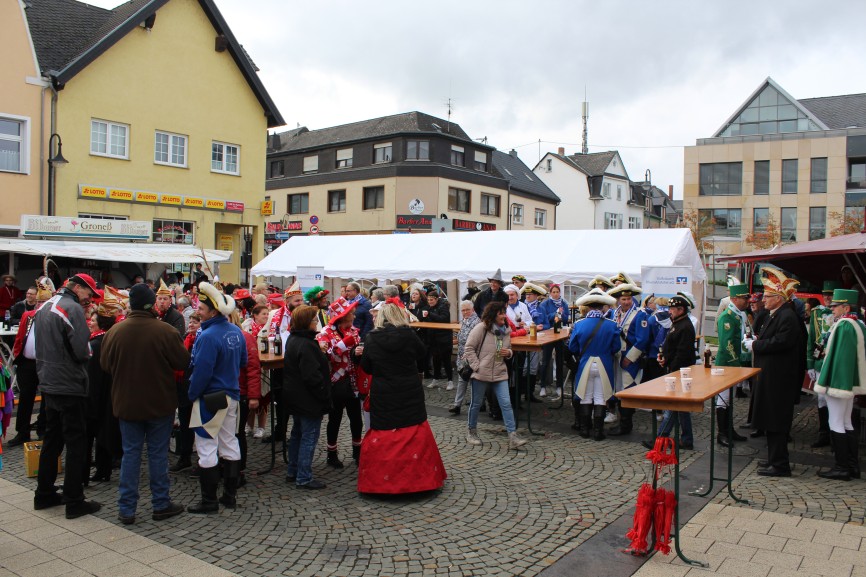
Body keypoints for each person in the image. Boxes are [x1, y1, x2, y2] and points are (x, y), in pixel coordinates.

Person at [100, 284, 190, 523]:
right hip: (159, 403)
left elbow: (105, 365)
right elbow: (182, 362)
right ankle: (160, 503)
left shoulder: (115, 332)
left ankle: (126, 508)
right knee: (157, 454)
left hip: (127, 402)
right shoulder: (165, 331)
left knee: (131, 454)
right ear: (152, 304)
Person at [358, 302, 446, 494]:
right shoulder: (408, 335)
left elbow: (367, 367)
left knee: (384, 429)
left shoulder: (372, 338)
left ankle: (381, 482)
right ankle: (419, 480)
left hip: (384, 391)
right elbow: (423, 355)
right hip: (409, 389)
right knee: (412, 428)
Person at [32, 273, 101, 519]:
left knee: (52, 439)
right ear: (78, 288)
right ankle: (74, 500)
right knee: (76, 442)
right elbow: (83, 350)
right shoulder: (71, 309)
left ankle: (44, 493)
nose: (89, 299)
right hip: (70, 384)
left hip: (49, 381)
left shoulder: (45, 306)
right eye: (89, 293)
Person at [187, 282, 247, 513]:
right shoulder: (236, 331)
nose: (198, 311)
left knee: (206, 447)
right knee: (230, 442)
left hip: (210, 398)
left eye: (201, 308)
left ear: (213, 311)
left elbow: (202, 372)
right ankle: (229, 496)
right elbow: (242, 363)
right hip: (231, 396)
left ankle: (209, 501)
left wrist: (192, 395)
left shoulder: (208, 336)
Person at [746, 267, 806, 477]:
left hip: (779, 379)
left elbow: (781, 342)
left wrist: (756, 346)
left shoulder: (787, 316)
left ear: (779, 298)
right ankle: (774, 459)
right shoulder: (776, 314)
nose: (764, 300)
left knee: (777, 422)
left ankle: (780, 464)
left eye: (768, 296)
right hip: (771, 376)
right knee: (771, 421)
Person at [463, 301, 528, 450]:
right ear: (493, 315)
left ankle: (513, 436)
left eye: (504, 313)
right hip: (481, 373)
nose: (504, 316)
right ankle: (471, 431)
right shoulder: (481, 328)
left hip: (500, 372)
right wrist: (477, 366)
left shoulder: (506, 330)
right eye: (501, 313)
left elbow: (509, 349)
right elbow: (469, 348)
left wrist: (509, 353)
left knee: (506, 404)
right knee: (476, 404)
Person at [814, 288, 865, 481]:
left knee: (836, 422)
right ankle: (852, 466)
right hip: (849, 383)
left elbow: (840, 359)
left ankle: (842, 467)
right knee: (846, 422)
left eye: (836, 306)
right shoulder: (858, 323)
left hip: (839, 383)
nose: (832, 308)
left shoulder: (845, 325)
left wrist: (833, 384)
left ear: (846, 307)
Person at [283, 305, 331, 489]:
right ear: (306, 322)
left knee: (297, 434)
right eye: (314, 320)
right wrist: (323, 394)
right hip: (308, 398)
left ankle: (293, 471)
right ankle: (304, 477)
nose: (316, 322)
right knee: (308, 437)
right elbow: (312, 376)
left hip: (296, 396)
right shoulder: (306, 344)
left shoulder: (293, 340)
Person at [642, 293, 698, 451]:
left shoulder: (685, 326)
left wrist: (670, 367)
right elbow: (672, 347)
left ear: (680, 309)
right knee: (681, 408)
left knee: (672, 407)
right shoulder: (679, 323)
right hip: (676, 370)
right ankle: (686, 439)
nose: (669, 311)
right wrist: (664, 357)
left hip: (679, 372)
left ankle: (660, 438)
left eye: (672, 308)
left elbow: (682, 353)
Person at [316, 297, 365, 468]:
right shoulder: (325, 332)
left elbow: (354, 355)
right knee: (335, 419)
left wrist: (359, 352)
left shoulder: (354, 330)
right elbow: (327, 356)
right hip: (336, 382)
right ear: (342, 317)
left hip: (352, 381)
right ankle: (332, 454)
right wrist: (344, 344)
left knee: (356, 419)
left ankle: (357, 452)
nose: (353, 315)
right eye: (351, 313)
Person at [568, 289, 620, 441]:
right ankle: (598, 431)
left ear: (588, 307)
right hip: (604, 362)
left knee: (585, 396)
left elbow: (572, 347)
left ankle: (585, 429)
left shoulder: (579, 324)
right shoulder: (612, 325)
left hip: (585, 363)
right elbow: (616, 347)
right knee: (600, 397)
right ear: (603, 307)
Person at [7, 279, 54, 447]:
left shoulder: (52, 318)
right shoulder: (28, 316)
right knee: (26, 397)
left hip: (45, 363)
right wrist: (18, 356)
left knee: (46, 399)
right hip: (27, 363)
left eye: (43, 301)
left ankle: (42, 429)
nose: (40, 305)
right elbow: (20, 337)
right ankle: (22, 431)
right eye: (39, 301)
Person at [85, 291, 123, 484]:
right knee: (106, 432)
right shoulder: (112, 339)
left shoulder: (96, 343)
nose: (90, 322)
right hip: (112, 393)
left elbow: (93, 375)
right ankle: (103, 468)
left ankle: (100, 470)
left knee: (97, 433)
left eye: (93, 320)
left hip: (98, 396)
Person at [607, 283, 651, 436]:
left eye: (629, 299)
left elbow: (642, 340)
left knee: (627, 390)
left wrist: (631, 358)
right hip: (616, 357)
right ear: (619, 300)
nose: (626, 302)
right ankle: (621, 421)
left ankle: (626, 424)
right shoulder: (614, 313)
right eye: (623, 299)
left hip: (629, 359)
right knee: (618, 390)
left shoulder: (640, 315)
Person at [713, 283, 751, 447]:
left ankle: (729, 429)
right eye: (744, 298)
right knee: (723, 398)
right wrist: (737, 363)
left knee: (729, 399)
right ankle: (722, 433)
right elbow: (727, 344)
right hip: (726, 364)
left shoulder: (739, 314)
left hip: (734, 364)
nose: (747, 300)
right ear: (734, 299)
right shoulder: (727, 317)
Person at [229, 311, 261, 488]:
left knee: (237, 432)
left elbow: (253, 368)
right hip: (224, 392)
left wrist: (254, 396)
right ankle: (224, 467)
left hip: (240, 392)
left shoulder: (245, 337)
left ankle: (239, 471)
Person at [806, 281, 839, 449]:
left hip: (834, 362)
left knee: (834, 399)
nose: (827, 297)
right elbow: (812, 339)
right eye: (825, 294)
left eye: (830, 294)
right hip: (819, 362)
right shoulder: (816, 313)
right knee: (821, 399)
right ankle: (823, 433)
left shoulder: (841, 314)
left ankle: (836, 436)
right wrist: (810, 364)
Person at [170, 313, 200, 473]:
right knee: (185, 423)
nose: (191, 324)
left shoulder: (201, 340)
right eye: (191, 321)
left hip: (195, 387)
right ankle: (185, 456)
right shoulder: (185, 339)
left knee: (199, 424)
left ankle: (203, 461)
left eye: (196, 322)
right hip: (183, 387)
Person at [538, 283, 571, 400]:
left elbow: (567, 318)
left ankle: (559, 386)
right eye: (554, 292)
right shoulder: (545, 303)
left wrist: (562, 316)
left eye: (557, 292)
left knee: (560, 360)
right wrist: (555, 313)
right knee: (546, 360)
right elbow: (545, 317)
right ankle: (543, 386)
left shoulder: (564, 303)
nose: (556, 294)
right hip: (548, 333)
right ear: (550, 293)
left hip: (560, 333)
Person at [449, 300, 481, 415]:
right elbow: (461, 336)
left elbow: (476, 341)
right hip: (462, 355)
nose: (465, 312)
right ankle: (457, 404)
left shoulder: (477, 322)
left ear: (473, 310)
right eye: (463, 310)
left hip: (471, 356)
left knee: (473, 380)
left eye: (467, 309)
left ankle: (476, 404)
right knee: (462, 379)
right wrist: (454, 341)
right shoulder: (464, 320)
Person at [424, 289, 454, 389]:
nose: (429, 302)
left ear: (436, 299)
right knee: (435, 360)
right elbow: (429, 321)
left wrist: (429, 314)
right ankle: (435, 380)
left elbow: (443, 319)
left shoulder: (443, 306)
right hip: (433, 338)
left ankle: (450, 381)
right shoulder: (429, 307)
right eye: (428, 300)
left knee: (446, 360)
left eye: (431, 300)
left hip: (444, 338)